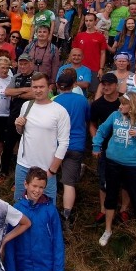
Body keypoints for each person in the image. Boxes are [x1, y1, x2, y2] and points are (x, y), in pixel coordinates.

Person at [93, 92, 136, 253]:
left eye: (123, 104)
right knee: (110, 196)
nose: (119, 107)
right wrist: (96, 145)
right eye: (120, 104)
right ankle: (108, 230)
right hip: (113, 162)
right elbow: (102, 130)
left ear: (132, 105)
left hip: (133, 165)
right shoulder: (115, 115)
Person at [14, 72, 70, 202]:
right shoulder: (26, 106)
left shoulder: (59, 111)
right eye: (35, 87)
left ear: (49, 87)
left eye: (41, 87)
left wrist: (52, 170)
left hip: (46, 168)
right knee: (20, 204)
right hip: (23, 166)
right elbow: (21, 132)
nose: (38, 90)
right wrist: (18, 126)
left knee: (47, 207)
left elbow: (64, 143)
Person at [53, 69, 90, 228]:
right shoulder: (83, 101)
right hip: (76, 144)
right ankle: (66, 214)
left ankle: (49, 206)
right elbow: (87, 119)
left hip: (57, 144)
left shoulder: (55, 101)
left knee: (51, 174)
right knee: (69, 183)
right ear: (74, 84)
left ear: (58, 85)